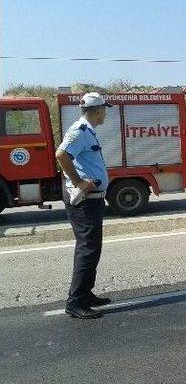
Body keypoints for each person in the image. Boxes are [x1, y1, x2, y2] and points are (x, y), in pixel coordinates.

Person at [55, 92, 111, 318]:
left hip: (93, 200)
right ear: (97, 110)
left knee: (92, 248)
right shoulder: (79, 131)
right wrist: (77, 181)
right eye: (104, 109)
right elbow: (61, 154)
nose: (105, 112)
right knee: (87, 249)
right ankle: (75, 302)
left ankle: (85, 294)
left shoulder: (88, 131)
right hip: (85, 202)